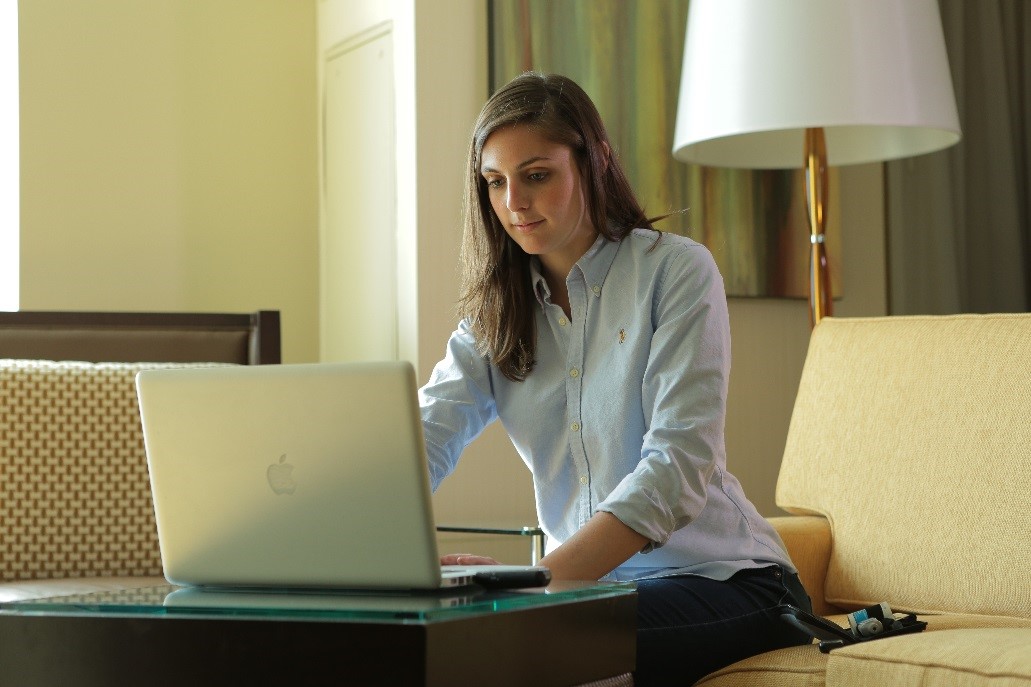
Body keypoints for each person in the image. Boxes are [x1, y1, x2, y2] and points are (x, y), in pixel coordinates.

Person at [418, 71, 813, 686]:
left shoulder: (676, 271)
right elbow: (422, 438)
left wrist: (534, 585)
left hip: (730, 583)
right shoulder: (494, 315)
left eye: (537, 174)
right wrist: (386, 557)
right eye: (495, 183)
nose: (514, 203)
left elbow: (679, 463)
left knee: (524, 641)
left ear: (593, 161)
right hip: (585, 590)